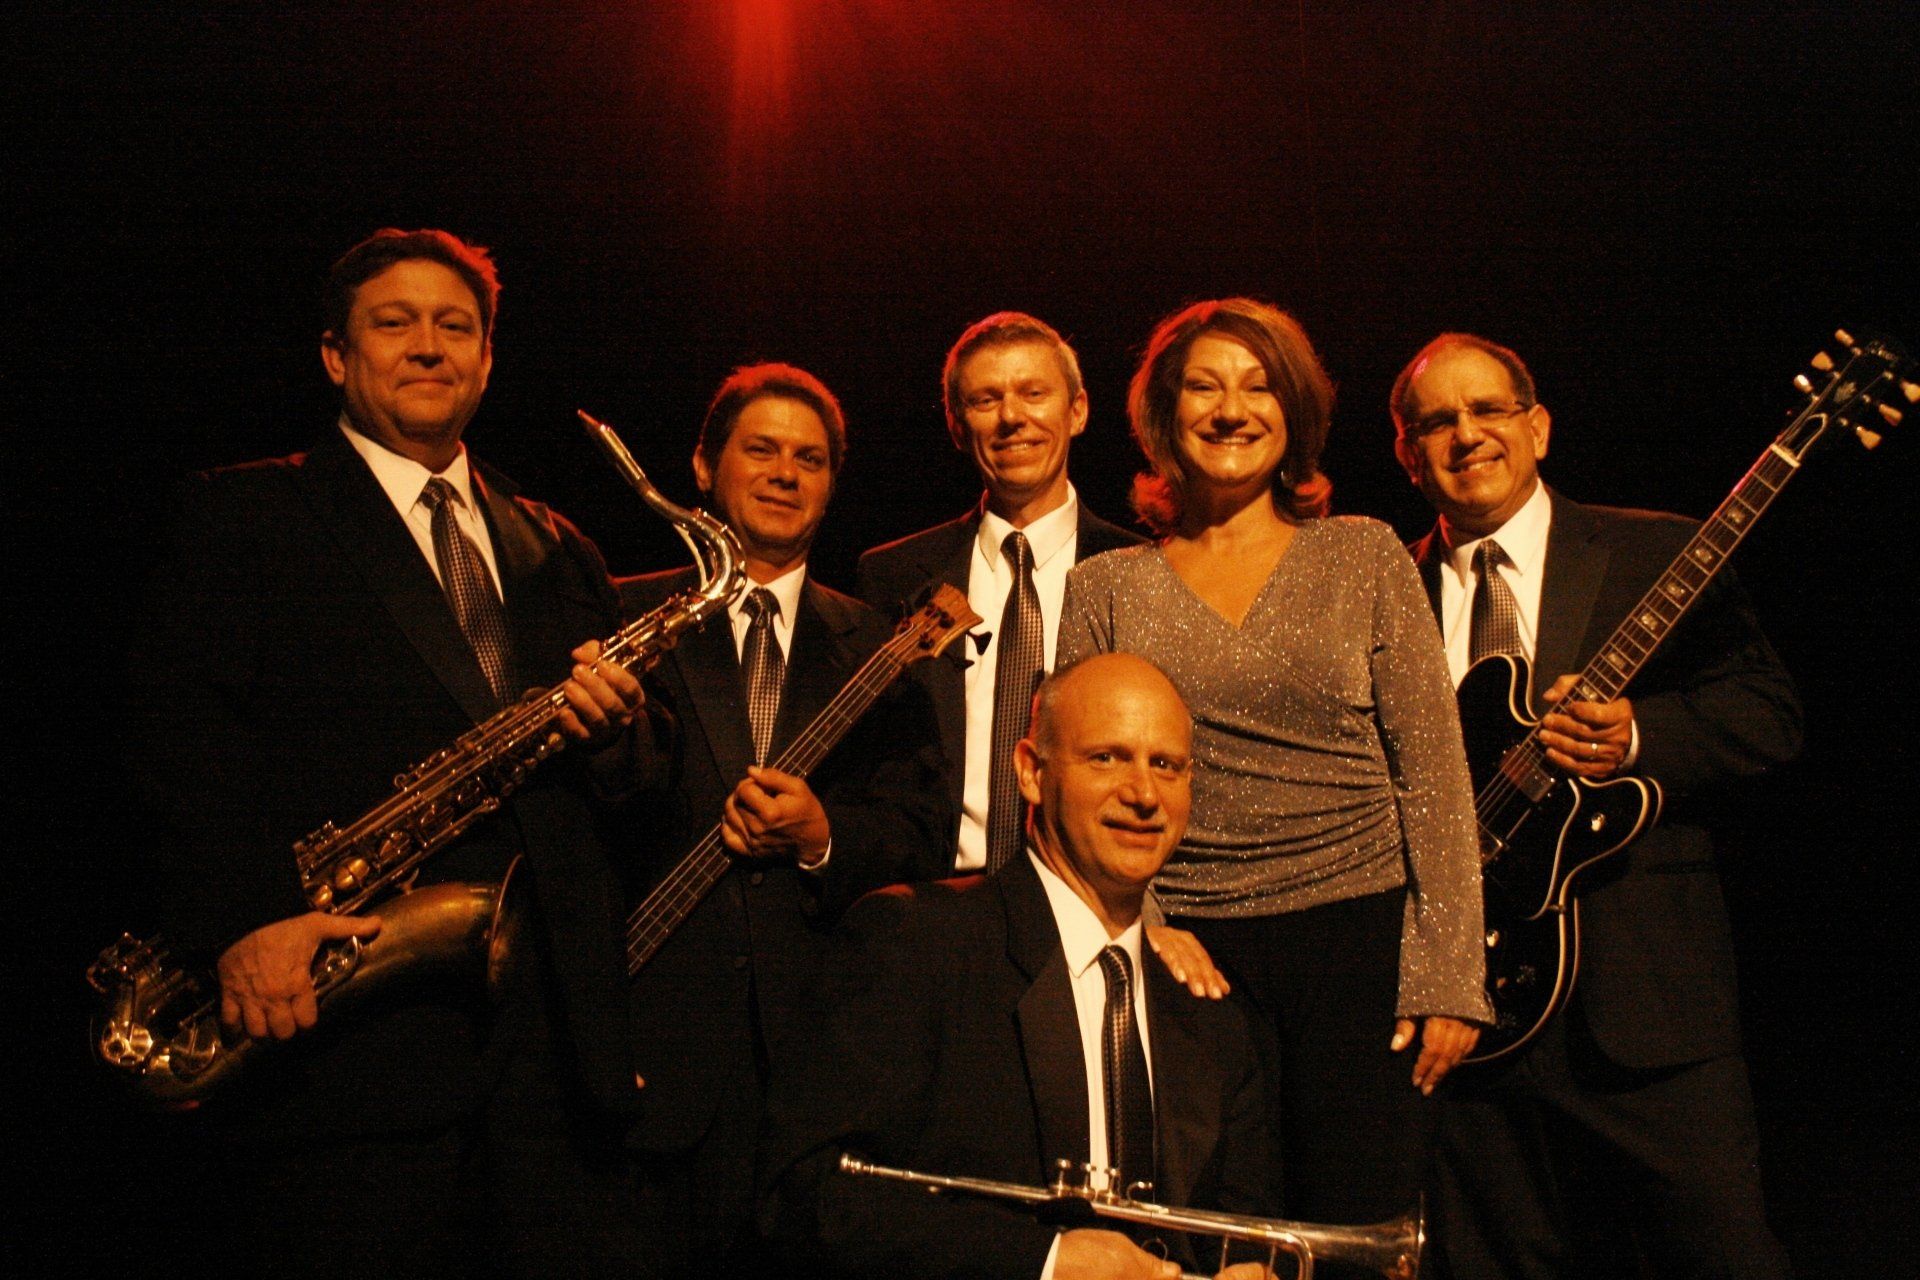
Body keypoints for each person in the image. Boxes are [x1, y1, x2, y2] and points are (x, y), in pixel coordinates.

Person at [128, 228, 657, 1276]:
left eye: (454, 326)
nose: (428, 346)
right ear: (336, 354)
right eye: (394, 322)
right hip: (346, 1049)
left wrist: (623, 733)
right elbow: (179, 742)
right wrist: (244, 919)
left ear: (488, 357)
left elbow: (638, 794)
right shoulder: (245, 512)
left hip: (552, 1066)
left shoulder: (560, 540)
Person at [1058, 298, 1490, 1229]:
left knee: (1357, 1237)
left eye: (1259, 387)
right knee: (1220, 1237)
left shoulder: (1365, 554)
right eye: (1204, 387)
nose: (1231, 408)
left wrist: (1452, 973)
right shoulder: (1105, 585)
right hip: (1191, 955)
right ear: (1164, 416)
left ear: (1293, 414)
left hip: (1362, 950)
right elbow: (1076, 784)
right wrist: (1151, 925)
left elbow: (1436, 777)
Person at [1392, 333, 1801, 1279]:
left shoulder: (1654, 551)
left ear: (1536, 426)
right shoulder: (1385, 593)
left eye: (1489, 410)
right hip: (1471, 1034)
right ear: (1410, 456)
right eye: (1437, 422)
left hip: (1651, 1017)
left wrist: (1637, 738)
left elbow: (1769, 715)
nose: (1467, 436)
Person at [762, 653, 1281, 1280]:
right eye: (1107, 757)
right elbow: (802, 1200)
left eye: (1165, 765)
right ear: (1032, 773)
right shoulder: (917, 942)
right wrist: (1047, 1262)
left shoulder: (1209, 1010)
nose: (1144, 794)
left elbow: (1247, 1230)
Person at [617, 363, 952, 1270]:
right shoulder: (621, 621)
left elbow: (920, 833)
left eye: (809, 458)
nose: (784, 472)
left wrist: (823, 840)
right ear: (702, 467)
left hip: (820, 1063)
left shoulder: (884, 646)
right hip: (649, 1058)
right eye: (759, 449)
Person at [857, 311, 1221, 997]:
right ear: (957, 424)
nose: (1011, 418)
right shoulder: (893, 578)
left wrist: (1156, 913)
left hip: (1091, 918)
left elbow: (1178, 762)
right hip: (933, 917)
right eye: (985, 400)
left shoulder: (1147, 571)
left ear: (1078, 410)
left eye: (1033, 393)